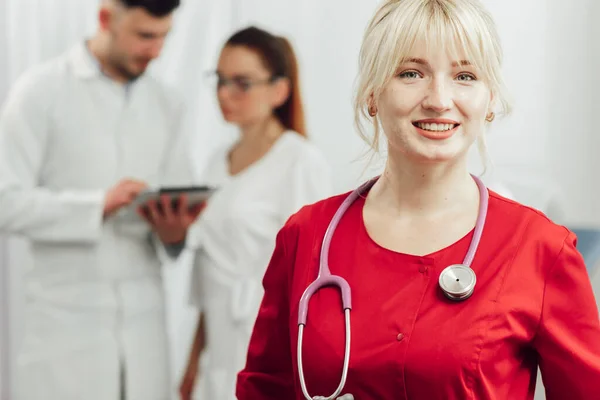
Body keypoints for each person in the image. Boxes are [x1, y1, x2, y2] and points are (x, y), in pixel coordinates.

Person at [235, 1, 600, 399]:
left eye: (465, 75)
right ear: (372, 94)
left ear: (489, 99)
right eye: (411, 73)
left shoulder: (540, 248)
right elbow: (264, 389)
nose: (439, 99)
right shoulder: (307, 236)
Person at [0, 1, 203, 399]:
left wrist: (174, 233)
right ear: (106, 18)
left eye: (164, 37)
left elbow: (180, 205)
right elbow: (6, 201)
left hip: (145, 328)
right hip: (66, 330)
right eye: (145, 36)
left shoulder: (168, 103)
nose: (157, 50)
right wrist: (98, 205)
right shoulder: (40, 91)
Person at [179, 26, 333, 400]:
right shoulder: (217, 163)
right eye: (219, 80)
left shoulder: (299, 161)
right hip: (219, 345)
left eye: (241, 83)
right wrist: (193, 361)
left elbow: (315, 274)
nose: (224, 94)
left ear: (280, 90)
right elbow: (211, 270)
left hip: (268, 344)